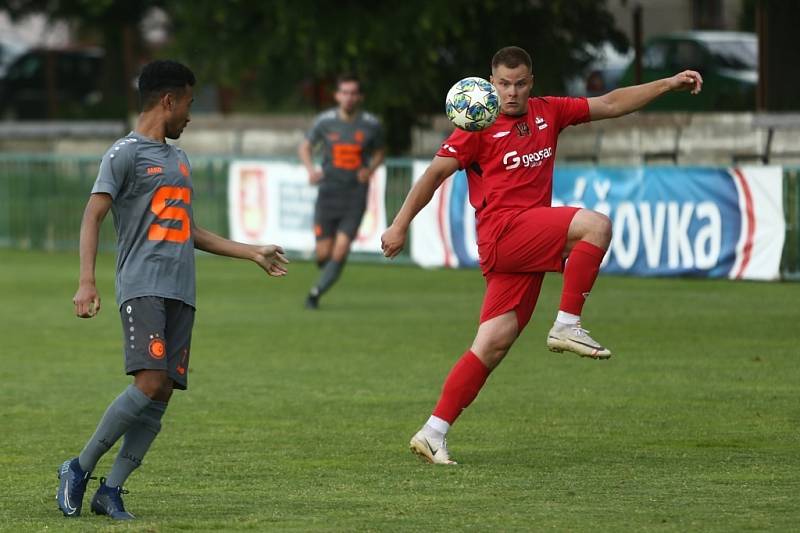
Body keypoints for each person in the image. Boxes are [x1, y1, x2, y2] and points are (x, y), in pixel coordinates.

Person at [381, 46, 702, 465]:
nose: (511, 93)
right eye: (502, 84)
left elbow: (610, 103)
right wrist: (400, 223)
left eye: (519, 84)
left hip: (523, 244)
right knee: (596, 225)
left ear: (531, 83)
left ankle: (433, 432)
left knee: (492, 344)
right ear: (490, 83)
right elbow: (433, 175)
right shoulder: (476, 125)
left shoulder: (549, 112)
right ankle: (568, 324)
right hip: (503, 233)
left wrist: (667, 83)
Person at [57, 60, 288, 520]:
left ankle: (112, 490)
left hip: (182, 289)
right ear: (168, 100)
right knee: (149, 381)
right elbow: (92, 216)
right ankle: (78, 467)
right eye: (188, 103)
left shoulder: (179, 160)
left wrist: (251, 253)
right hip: (142, 285)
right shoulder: (122, 153)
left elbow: (189, 230)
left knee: (162, 394)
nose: (190, 114)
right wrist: (86, 280)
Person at [298, 74, 385, 309]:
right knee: (323, 254)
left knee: (341, 249)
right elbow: (305, 146)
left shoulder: (371, 124)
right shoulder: (324, 122)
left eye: (353, 93)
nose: (348, 97)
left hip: (355, 195)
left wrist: (370, 168)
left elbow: (379, 152)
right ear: (337, 96)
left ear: (360, 97)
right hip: (327, 194)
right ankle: (325, 266)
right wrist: (311, 169)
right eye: (344, 92)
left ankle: (315, 294)